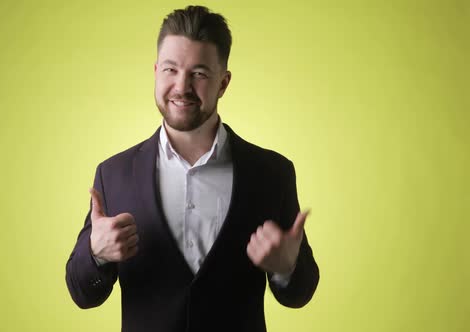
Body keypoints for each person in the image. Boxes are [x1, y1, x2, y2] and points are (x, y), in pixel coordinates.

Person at [65, 5, 319, 332]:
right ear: (156, 71)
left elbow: (300, 293)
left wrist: (286, 268)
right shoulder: (113, 174)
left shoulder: (272, 173)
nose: (181, 87)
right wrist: (96, 253)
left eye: (198, 73)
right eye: (170, 70)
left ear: (223, 83)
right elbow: (81, 293)